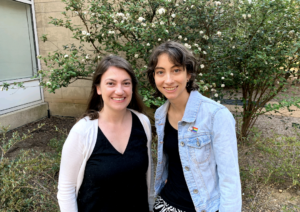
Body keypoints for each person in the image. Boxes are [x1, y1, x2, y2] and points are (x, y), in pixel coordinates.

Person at [147, 41, 241, 212]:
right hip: (166, 204)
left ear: (188, 74)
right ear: (154, 77)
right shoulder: (161, 114)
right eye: (161, 72)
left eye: (176, 70)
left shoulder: (216, 115)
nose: (168, 80)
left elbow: (230, 179)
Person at [57, 55, 154, 212]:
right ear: (98, 88)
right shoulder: (82, 132)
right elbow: (66, 189)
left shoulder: (143, 123)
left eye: (126, 83)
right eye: (111, 83)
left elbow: (147, 178)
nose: (119, 90)